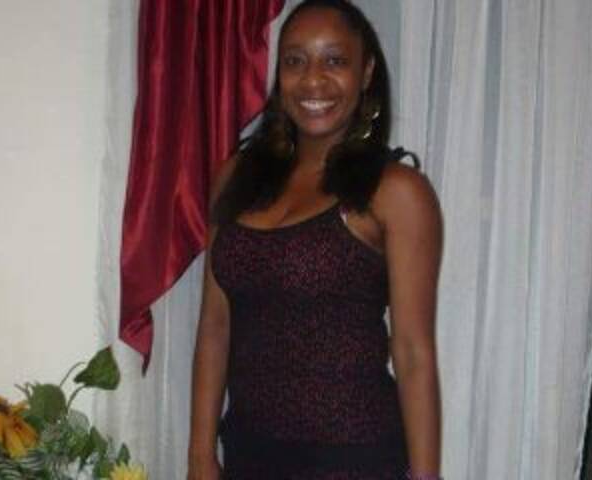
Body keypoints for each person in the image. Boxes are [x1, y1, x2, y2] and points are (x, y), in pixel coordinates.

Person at [188, 0, 442, 478]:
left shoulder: (395, 191)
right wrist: (200, 456)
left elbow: (412, 351)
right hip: (248, 453)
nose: (313, 80)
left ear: (366, 72)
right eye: (295, 61)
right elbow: (215, 325)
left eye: (335, 60)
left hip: (354, 458)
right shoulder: (237, 177)